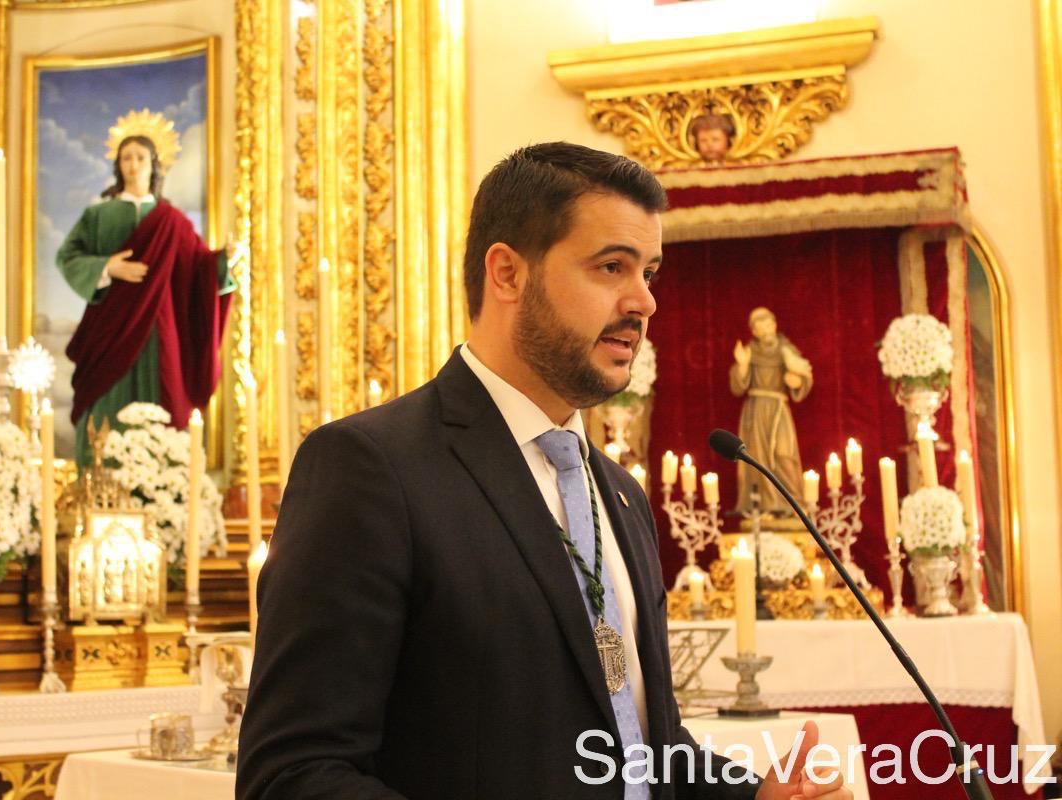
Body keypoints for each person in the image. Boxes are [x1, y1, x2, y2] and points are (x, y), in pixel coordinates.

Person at [238, 143, 850, 800]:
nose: (644, 301)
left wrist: (754, 797)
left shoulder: (619, 494)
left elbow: (645, 745)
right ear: (507, 274)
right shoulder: (373, 469)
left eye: (650, 272)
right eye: (611, 266)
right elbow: (293, 775)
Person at [57, 125, 234, 466]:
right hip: (110, 328)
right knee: (107, 398)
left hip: (158, 327)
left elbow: (199, 269)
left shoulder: (174, 222)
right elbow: (68, 257)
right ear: (118, 165)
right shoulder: (98, 216)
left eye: (140, 157)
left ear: (154, 165)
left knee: (163, 395)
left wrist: (223, 260)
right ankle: (101, 481)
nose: (133, 164)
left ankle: (160, 487)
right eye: (126, 158)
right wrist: (107, 267)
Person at [730, 307, 813, 515]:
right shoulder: (750, 352)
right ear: (754, 332)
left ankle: (793, 506)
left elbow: (804, 373)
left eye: (768, 325)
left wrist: (797, 381)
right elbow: (738, 386)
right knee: (757, 459)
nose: (766, 331)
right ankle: (764, 508)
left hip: (778, 410)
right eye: (760, 328)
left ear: (775, 326)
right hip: (756, 411)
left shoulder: (786, 350)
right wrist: (742, 366)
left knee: (784, 454)